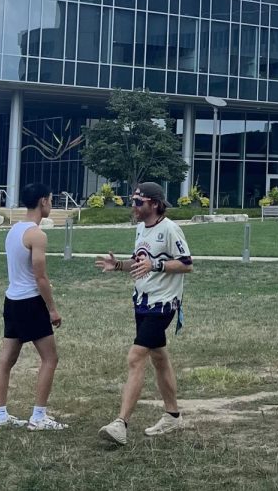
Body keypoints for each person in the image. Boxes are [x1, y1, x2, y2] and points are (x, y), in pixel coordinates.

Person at [94, 182, 194, 445]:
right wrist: (117, 266)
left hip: (163, 304)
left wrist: (157, 264)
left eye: (139, 202)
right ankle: (173, 416)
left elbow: (186, 264)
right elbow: (140, 264)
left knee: (136, 356)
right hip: (142, 302)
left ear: (155, 204)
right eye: (132, 201)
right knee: (159, 358)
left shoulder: (170, 229)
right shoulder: (140, 229)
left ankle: (121, 424)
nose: (134, 207)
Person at [0, 182, 67, 431]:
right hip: (30, 302)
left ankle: (0, 416)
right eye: (51, 200)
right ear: (43, 202)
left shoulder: (13, 230)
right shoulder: (37, 234)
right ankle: (39, 416)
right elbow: (40, 277)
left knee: (6, 360)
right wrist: (52, 308)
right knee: (50, 358)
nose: (51, 205)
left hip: (12, 301)